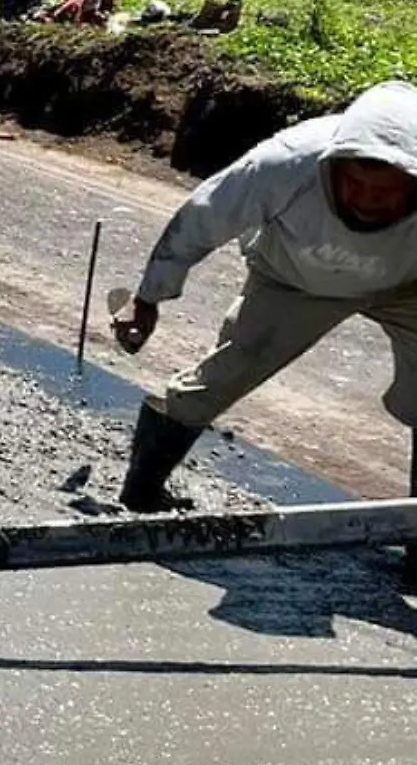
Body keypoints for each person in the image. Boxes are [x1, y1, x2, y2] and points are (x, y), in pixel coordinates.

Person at [112, 82, 417, 527]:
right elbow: (203, 218)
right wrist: (149, 297)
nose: (368, 201)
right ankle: (141, 493)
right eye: (355, 184)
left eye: (386, 192)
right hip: (294, 278)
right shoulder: (288, 163)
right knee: (225, 373)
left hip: (408, 286)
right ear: (332, 168)